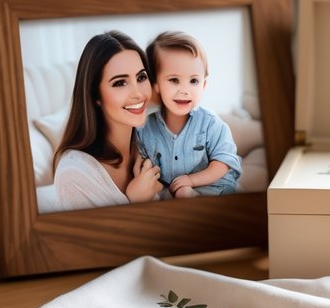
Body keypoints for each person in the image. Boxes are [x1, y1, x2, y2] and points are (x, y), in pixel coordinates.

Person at [53, 30, 165, 210]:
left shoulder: (153, 141)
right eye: (120, 83)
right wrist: (134, 203)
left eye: (141, 77)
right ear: (95, 95)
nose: (138, 94)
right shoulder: (74, 175)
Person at [139, 31, 241, 198]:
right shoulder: (144, 129)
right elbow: (144, 168)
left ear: (203, 85)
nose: (184, 90)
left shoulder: (211, 124)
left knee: (184, 192)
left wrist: (191, 180)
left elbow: (223, 164)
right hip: (171, 190)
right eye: (174, 80)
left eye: (193, 81)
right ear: (155, 84)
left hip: (215, 186)